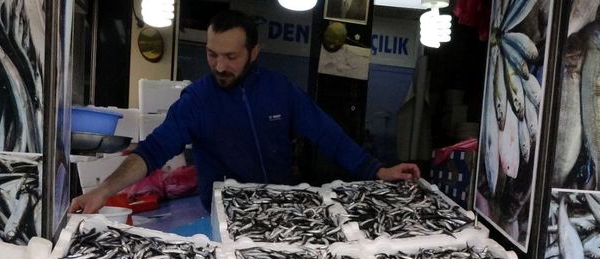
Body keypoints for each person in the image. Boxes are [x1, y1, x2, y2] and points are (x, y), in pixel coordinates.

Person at [69, 9, 418, 214]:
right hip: (224, 215)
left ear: (254, 53)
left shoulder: (280, 90)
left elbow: (327, 134)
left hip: (279, 210)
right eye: (212, 54)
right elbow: (153, 150)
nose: (219, 66)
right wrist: (103, 190)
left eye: (231, 57)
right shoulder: (197, 101)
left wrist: (377, 169)